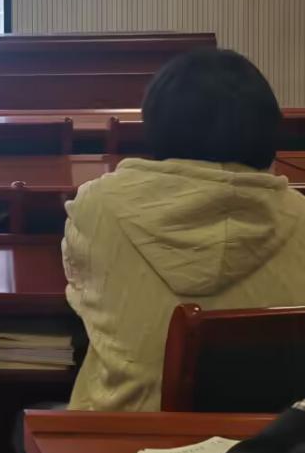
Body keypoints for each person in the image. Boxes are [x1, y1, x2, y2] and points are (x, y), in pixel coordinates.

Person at [64, 48, 305, 412]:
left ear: (157, 122)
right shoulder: (299, 213)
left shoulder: (98, 204)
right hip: (268, 435)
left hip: (126, 431)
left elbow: (82, 287)